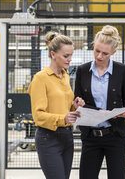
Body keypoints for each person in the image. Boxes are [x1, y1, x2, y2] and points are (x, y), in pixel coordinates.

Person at [74, 25, 125, 179]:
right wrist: (98, 112)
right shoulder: (82, 70)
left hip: (115, 135)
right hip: (90, 136)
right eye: (97, 51)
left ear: (113, 53)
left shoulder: (122, 70)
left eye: (105, 53)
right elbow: (77, 102)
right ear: (93, 46)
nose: (99, 56)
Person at [28, 31, 83, 179]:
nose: (70, 59)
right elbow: (38, 116)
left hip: (67, 137)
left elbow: (64, 108)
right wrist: (63, 118)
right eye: (66, 56)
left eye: (71, 55)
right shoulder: (40, 78)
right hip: (48, 138)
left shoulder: (65, 76)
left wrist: (75, 107)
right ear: (53, 54)